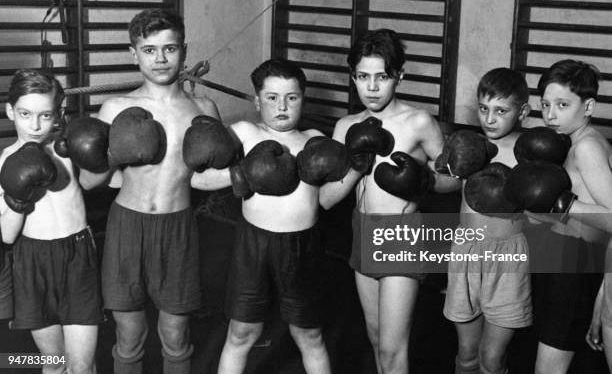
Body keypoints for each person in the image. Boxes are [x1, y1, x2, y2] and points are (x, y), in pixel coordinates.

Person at [74, 9, 219, 374]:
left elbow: (205, 179)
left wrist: (247, 175)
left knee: (175, 334)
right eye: (149, 49)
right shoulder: (115, 108)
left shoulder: (203, 108)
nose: (160, 59)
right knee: (130, 333)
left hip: (179, 228)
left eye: (169, 49)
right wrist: (110, 156)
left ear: (183, 51)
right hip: (127, 227)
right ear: (132, 53)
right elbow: (91, 183)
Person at [319, 28, 460, 374]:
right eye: (363, 77)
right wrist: (355, 166)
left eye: (381, 77)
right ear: (352, 77)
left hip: (402, 233)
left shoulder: (418, 122)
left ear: (400, 75)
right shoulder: (345, 126)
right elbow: (325, 199)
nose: (371, 87)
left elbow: (455, 181)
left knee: (393, 349)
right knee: (377, 338)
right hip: (362, 230)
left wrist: (425, 179)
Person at [191, 58, 336, 374]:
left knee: (309, 335)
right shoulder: (245, 132)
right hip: (253, 245)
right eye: (272, 97)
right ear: (257, 101)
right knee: (242, 332)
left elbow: (326, 200)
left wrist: (357, 167)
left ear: (303, 99)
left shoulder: (314, 140)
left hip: (303, 246)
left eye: (292, 97)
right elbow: (199, 180)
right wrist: (244, 172)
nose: (282, 106)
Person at [0, 69, 103, 373]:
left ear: (57, 114)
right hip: (32, 261)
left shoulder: (66, 149)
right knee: (54, 363)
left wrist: (106, 157)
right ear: (10, 111)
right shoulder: (3, 163)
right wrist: (18, 198)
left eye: (45, 115)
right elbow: (6, 235)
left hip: (78, 254)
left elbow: (93, 183)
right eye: (25, 114)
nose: (34, 125)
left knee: (81, 366)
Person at [522, 59, 611, 374]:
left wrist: (566, 205)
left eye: (562, 104)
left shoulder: (587, 147)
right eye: (545, 104)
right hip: (558, 264)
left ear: (588, 106)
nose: (550, 114)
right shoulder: (567, 144)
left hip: (576, 271)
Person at [442, 68, 532, 374]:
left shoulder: (529, 155)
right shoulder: (471, 147)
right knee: (466, 354)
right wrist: (420, 175)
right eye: (483, 109)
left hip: (507, 258)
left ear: (523, 112)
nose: (489, 119)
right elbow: (445, 184)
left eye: (501, 111)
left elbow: (550, 214)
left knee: (491, 359)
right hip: (466, 250)